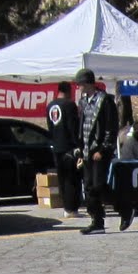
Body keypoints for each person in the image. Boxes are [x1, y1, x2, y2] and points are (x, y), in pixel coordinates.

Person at [74, 68, 131, 234]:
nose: (78, 87)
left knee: (98, 186)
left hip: (98, 152)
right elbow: (82, 127)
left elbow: (110, 128)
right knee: (90, 187)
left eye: (80, 84)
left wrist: (104, 149)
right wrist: (79, 149)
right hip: (86, 151)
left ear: (88, 83)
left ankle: (125, 208)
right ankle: (97, 221)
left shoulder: (104, 101)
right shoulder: (83, 102)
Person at [44, 81, 84, 216]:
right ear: (68, 91)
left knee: (61, 178)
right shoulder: (69, 105)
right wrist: (78, 145)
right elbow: (73, 127)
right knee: (72, 178)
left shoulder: (50, 106)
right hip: (69, 147)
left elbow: (50, 127)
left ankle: (66, 208)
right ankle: (72, 208)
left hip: (56, 146)